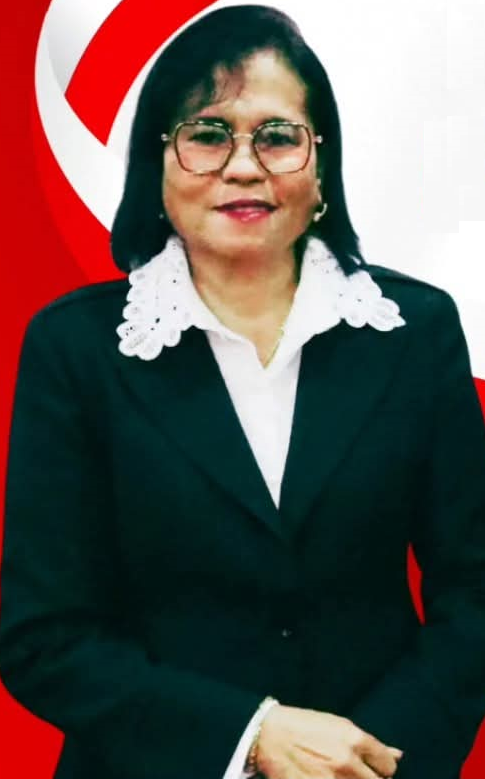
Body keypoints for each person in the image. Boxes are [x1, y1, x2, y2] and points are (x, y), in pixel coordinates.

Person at [1, 4, 484, 779]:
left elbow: (473, 595)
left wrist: (368, 760)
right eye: (207, 134)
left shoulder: (413, 331)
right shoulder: (76, 348)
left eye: (277, 136)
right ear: (156, 163)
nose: (243, 166)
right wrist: (251, 737)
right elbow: (44, 634)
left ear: (320, 162)